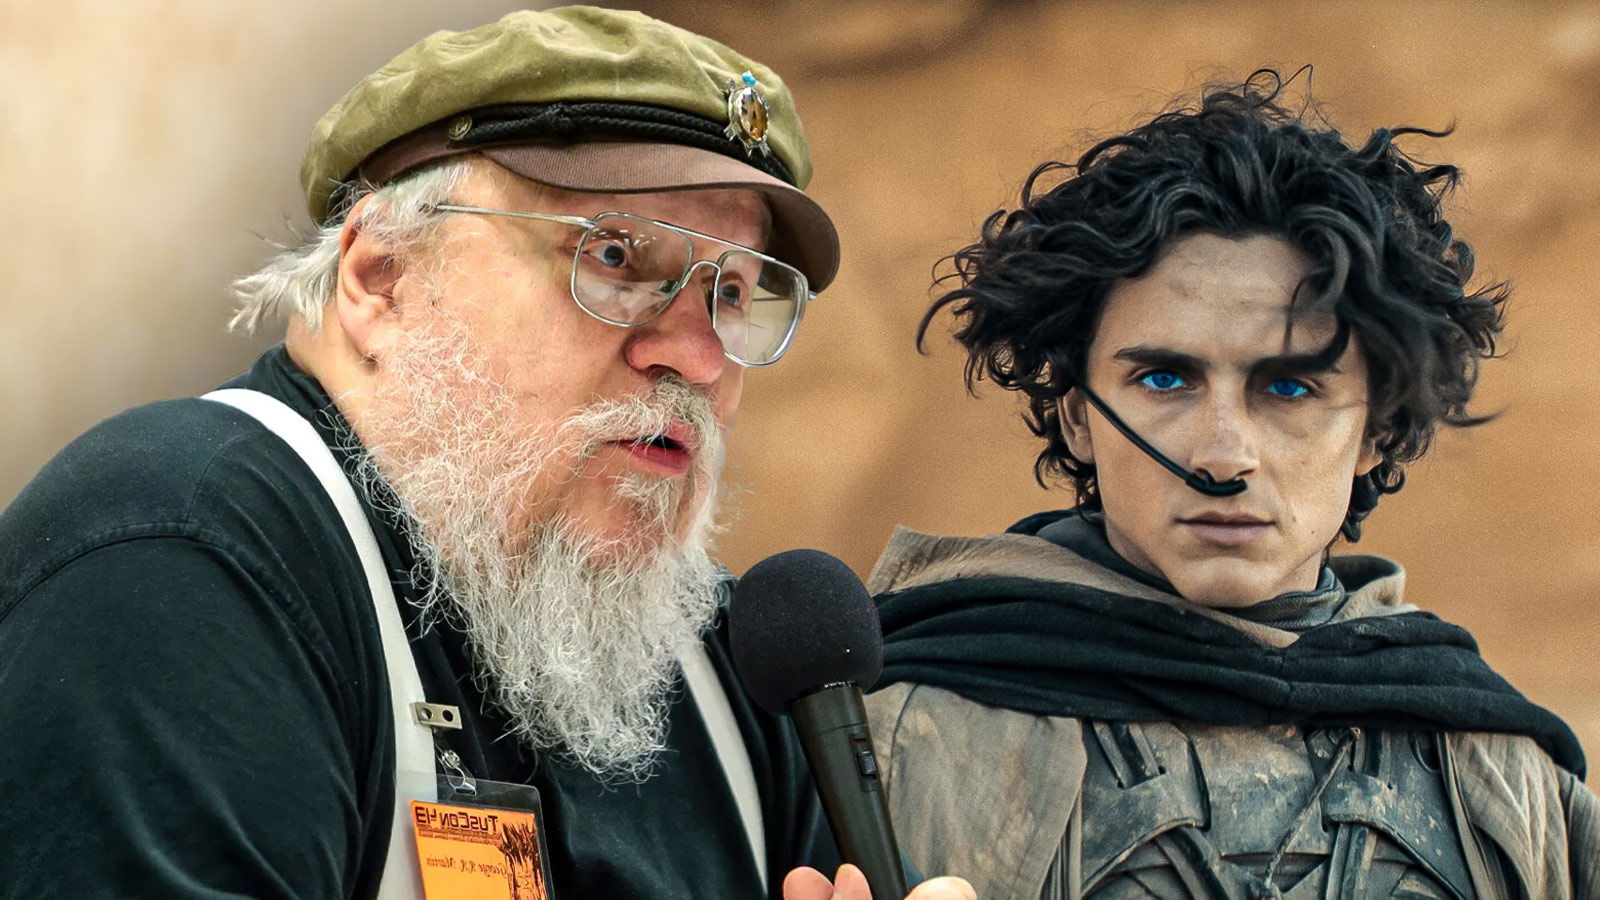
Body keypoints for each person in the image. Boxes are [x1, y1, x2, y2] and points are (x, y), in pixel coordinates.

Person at [0, 8, 971, 900]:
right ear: (382, 276)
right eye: (615, 257)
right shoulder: (180, 555)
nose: (699, 357)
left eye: (731, 293)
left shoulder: (725, 671)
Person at [863, 71, 1599, 898]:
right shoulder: (892, 741)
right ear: (1077, 417)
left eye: (1288, 386)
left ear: (1378, 431)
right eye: (1165, 380)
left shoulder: (1503, 778)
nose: (1223, 459)